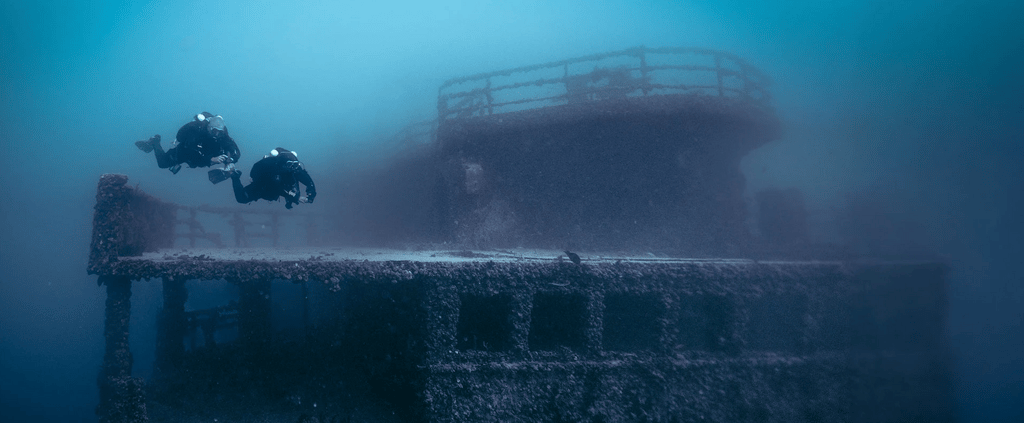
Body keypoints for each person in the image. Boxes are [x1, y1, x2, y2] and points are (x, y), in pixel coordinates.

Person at [135, 112, 241, 181]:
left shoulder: (222, 135)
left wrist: (231, 160)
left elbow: (234, 149)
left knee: (225, 151)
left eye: (219, 132)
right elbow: (190, 151)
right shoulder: (197, 131)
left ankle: (226, 169)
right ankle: (155, 141)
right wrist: (210, 159)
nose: (216, 135)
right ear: (209, 127)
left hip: (204, 156)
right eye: (214, 131)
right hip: (185, 153)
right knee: (162, 163)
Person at [229, 147, 316, 209]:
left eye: (295, 165)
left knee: (293, 176)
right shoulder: (271, 167)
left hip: (278, 185)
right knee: (241, 198)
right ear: (282, 164)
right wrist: (296, 197)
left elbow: (303, 175)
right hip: (263, 185)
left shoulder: (292, 168)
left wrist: (311, 190)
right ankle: (235, 176)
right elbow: (277, 187)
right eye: (289, 165)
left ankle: (291, 197)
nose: (293, 168)